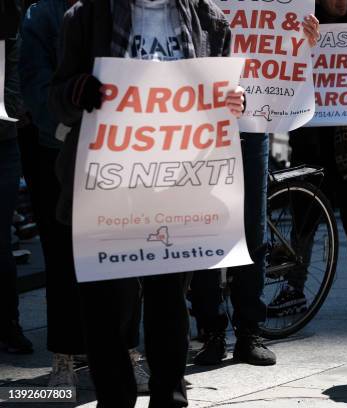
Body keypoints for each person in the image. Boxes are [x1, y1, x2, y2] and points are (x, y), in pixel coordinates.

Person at [49, 0, 245, 406]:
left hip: (177, 181)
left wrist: (233, 102)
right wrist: (76, 91)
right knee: (105, 304)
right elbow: (56, 96)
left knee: (168, 298)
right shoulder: (86, 17)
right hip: (105, 183)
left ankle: (169, 395)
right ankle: (115, 398)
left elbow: (223, 94)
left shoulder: (210, 20)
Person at [19, 0, 150, 390]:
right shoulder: (42, 15)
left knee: (123, 254)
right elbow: (39, 91)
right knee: (62, 255)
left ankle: (128, 351)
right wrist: (79, 131)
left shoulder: (122, 10)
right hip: (56, 151)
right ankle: (64, 355)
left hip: (120, 149)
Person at [189, 14, 321, 367]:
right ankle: (211, 331)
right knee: (203, 225)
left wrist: (304, 45)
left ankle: (249, 331)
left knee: (252, 230)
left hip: (252, 124)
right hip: (200, 122)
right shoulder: (198, 10)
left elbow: (284, 61)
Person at [267, 0, 347, 318]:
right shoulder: (298, 28)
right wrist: (301, 46)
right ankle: (294, 289)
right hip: (310, 143)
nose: (341, 1)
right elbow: (283, 80)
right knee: (304, 220)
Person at [0, 0, 33, 355]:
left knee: (0, 243)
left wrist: (9, 109)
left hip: (1, 140)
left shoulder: (9, 14)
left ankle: (8, 323)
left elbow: (16, 68)